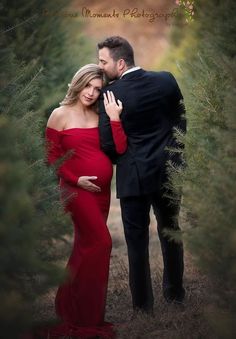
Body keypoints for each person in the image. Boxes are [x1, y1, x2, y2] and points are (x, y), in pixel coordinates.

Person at [97, 36, 186, 315]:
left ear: (120, 63)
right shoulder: (166, 80)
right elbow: (181, 120)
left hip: (133, 176)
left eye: (103, 61)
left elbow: (108, 145)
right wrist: (173, 156)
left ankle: (142, 306)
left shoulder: (110, 95)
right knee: (171, 232)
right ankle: (175, 295)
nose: (100, 66)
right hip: (169, 171)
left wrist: (121, 158)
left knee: (136, 242)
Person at [44, 64, 127, 338]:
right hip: (75, 191)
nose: (91, 93)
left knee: (85, 246)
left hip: (101, 193)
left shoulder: (100, 114)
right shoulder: (59, 115)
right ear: (77, 83)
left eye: (97, 88)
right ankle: (84, 315)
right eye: (88, 86)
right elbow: (52, 156)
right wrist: (74, 179)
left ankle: (70, 306)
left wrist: (115, 119)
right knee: (102, 242)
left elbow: (119, 148)